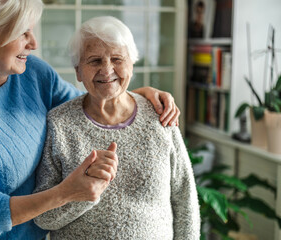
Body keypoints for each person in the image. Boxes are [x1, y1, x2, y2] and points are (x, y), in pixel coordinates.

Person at [0, 1, 180, 240]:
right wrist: (66, 192)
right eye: (22, 33)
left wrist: (138, 97)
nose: (33, 43)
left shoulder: (32, 73)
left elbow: (88, 105)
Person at [33, 16, 200, 240]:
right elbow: (43, 218)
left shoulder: (160, 115)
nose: (107, 69)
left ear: (131, 63)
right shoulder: (59, 123)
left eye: (117, 59)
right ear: (78, 71)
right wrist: (82, 192)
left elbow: (185, 198)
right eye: (94, 61)